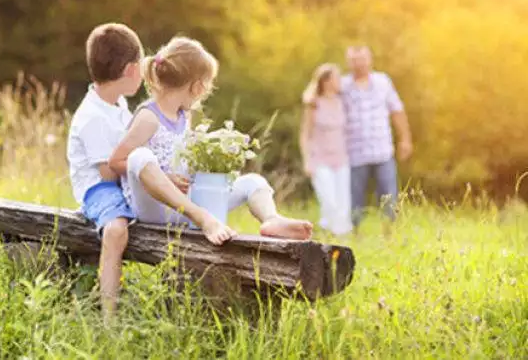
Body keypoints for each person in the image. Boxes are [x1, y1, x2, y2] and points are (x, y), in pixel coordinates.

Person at [67, 23, 233, 318]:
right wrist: (156, 177)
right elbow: (109, 173)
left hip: (122, 182)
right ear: (132, 70)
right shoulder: (92, 116)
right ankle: (108, 315)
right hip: (100, 189)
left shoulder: (117, 104)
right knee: (117, 230)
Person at [108, 36, 313, 241]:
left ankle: (271, 219)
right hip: (154, 209)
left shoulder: (183, 116)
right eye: (206, 85)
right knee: (139, 156)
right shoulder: (148, 117)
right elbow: (116, 162)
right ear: (197, 87)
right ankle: (204, 219)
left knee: (253, 182)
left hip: (183, 207)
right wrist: (166, 178)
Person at [341, 46, 413, 230]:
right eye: (355, 60)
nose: (359, 64)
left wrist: (405, 139)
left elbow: (397, 110)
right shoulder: (342, 86)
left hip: (382, 151)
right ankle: (354, 234)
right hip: (354, 153)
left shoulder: (383, 82)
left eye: (362, 59)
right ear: (349, 63)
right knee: (354, 199)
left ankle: (390, 234)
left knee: (389, 197)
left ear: (370, 60)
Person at [300, 63, 352, 235]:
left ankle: (341, 237)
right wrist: (307, 160)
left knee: (343, 202)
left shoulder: (342, 102)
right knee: (329, 200)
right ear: (327, 81)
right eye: (337, 78)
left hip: (341, 158)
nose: (340, 81)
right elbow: (305, 134)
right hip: (319, 159)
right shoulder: (313, 103)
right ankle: (329, 229)